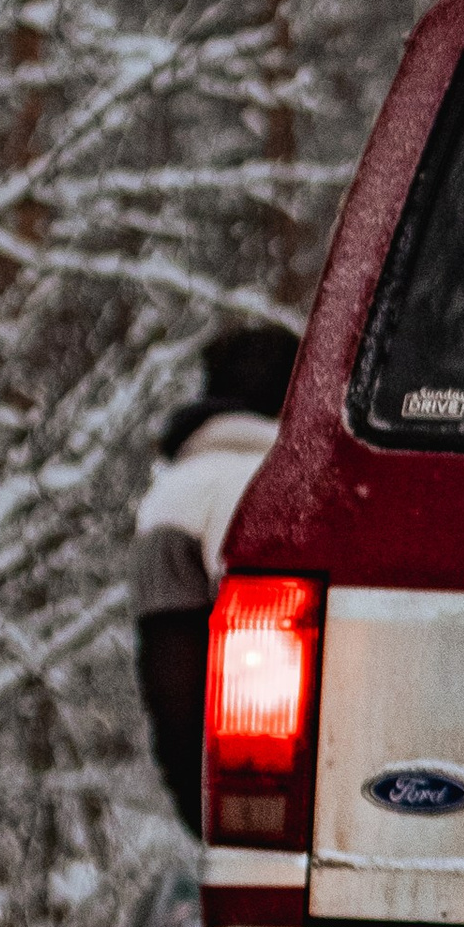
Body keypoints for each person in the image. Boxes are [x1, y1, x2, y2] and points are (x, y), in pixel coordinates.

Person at [132, 324, 300, 826]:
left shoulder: (172, 497)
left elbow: (173, 684)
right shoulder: (295, 488)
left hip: (239, 803)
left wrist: (200, 813)